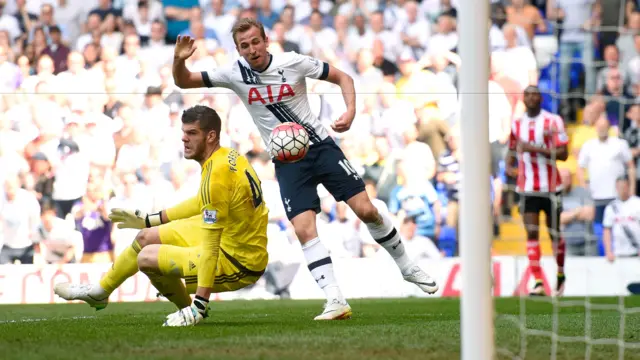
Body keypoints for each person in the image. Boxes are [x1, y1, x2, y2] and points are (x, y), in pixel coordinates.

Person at [171, 18, 438, 320]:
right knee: (302, 228)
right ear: (238, 49)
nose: (252, 49)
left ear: (266, 40)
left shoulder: (293, 62)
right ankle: (335, 299)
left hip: (320, 146)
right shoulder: (234, 73)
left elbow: (344, 78)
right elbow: (184, 81)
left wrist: (350, 112)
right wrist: (178, 60)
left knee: (366, 210)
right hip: (286, 160)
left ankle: (406, 265)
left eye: (256, 42)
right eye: (244, 45)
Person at [54, 105, 270, 327]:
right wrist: (150, 219)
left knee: (146, 258)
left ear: (211, 136)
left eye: (192, 133)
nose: (184, 139)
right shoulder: (228, 156)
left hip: (239, 261)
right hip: (233, 237)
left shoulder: (216, 174)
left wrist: (200, 304)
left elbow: (210, 249)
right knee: (146, 236)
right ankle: (100, 291)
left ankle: (192, 312)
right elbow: (203, 201)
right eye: (184, 132)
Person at [506, 86, 569, 296]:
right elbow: (512, 148)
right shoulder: (516, 124)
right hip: (527, 189)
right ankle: (539, 281)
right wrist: (509, 164)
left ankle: (560, 274)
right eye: (528, 94)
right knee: (531, 232)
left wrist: (535, 149)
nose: (531, 97)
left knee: (554, 234)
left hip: (551, 187)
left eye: (535, 94)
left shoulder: (553, 121)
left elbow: (563, 154)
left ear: (541, 98)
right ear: (523, 99)